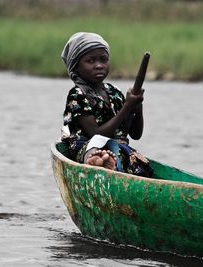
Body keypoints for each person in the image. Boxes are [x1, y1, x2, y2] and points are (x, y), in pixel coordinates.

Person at [60, 32, 152, 177]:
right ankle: (97, 161)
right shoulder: (77, 95)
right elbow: (96, 134)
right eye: (90, 61)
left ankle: (109, 162)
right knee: (97, 148)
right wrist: (127, 107)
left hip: (118, 149)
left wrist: (137, 108)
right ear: (76, 67)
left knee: (142, 164)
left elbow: (135, 134)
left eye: (104, 60)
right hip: (87, 147)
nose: (99, 65)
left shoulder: (114, 92)